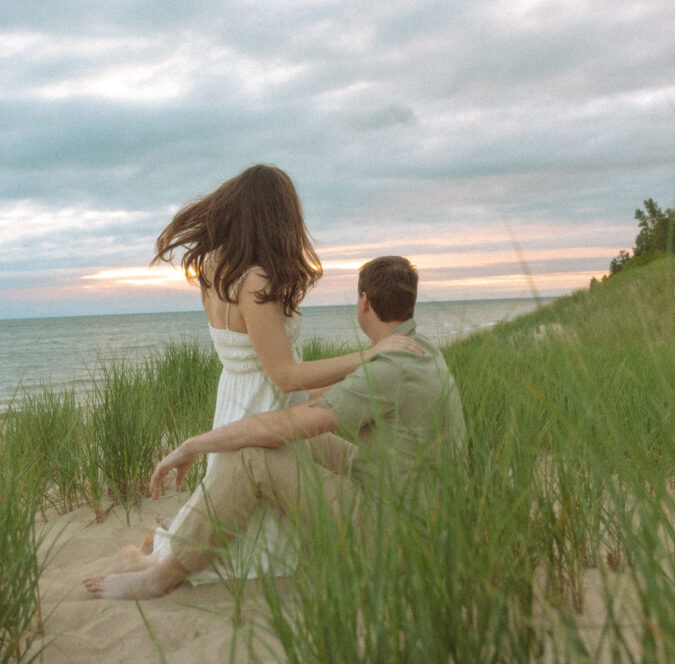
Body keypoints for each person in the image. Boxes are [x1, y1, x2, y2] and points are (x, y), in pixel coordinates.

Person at [83, 255, 467, 599]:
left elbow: (286, 425)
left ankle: (164, 575)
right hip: (408, 496)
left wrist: (193, 444)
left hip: (396, 532)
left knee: (256, 457)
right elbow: (324, 395)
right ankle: (205, 520)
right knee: (304, 443)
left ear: (364, 302)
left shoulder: (391, 366)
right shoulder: (417, 349)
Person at [146, 166, 420, 581]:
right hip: (262, 402)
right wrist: (371, 355)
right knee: (255, 536)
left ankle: (175, 544)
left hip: (238, 394)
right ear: (276, 219)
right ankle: (163, 561)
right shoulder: (255, 279)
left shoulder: (213, 271)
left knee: (237, 506)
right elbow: (285, 375)